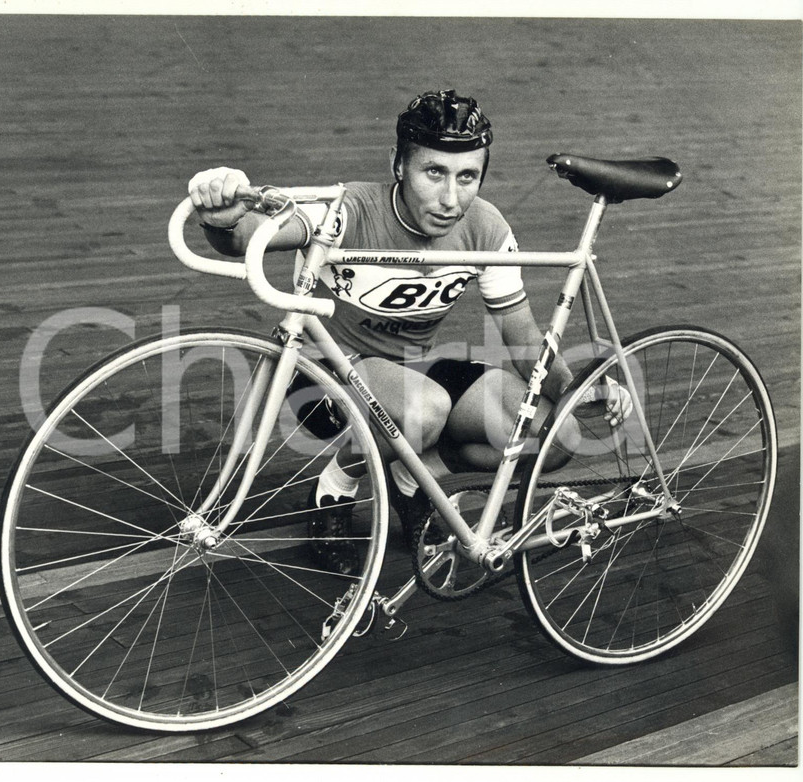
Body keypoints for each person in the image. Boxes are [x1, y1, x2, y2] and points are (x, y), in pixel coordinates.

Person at [187, 89, 629, 575]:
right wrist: (222, 218)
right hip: (323, 377)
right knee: (425, 408)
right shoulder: (350, 209)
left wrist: (577, 389)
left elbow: (524, 339)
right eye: (433, 172)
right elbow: (248, 236)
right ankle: (335, 487)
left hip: (410, 374)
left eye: (467, 177)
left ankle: (414, 475)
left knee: (556, 438)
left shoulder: (485, 228)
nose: (450, 198)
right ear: (398, 164)